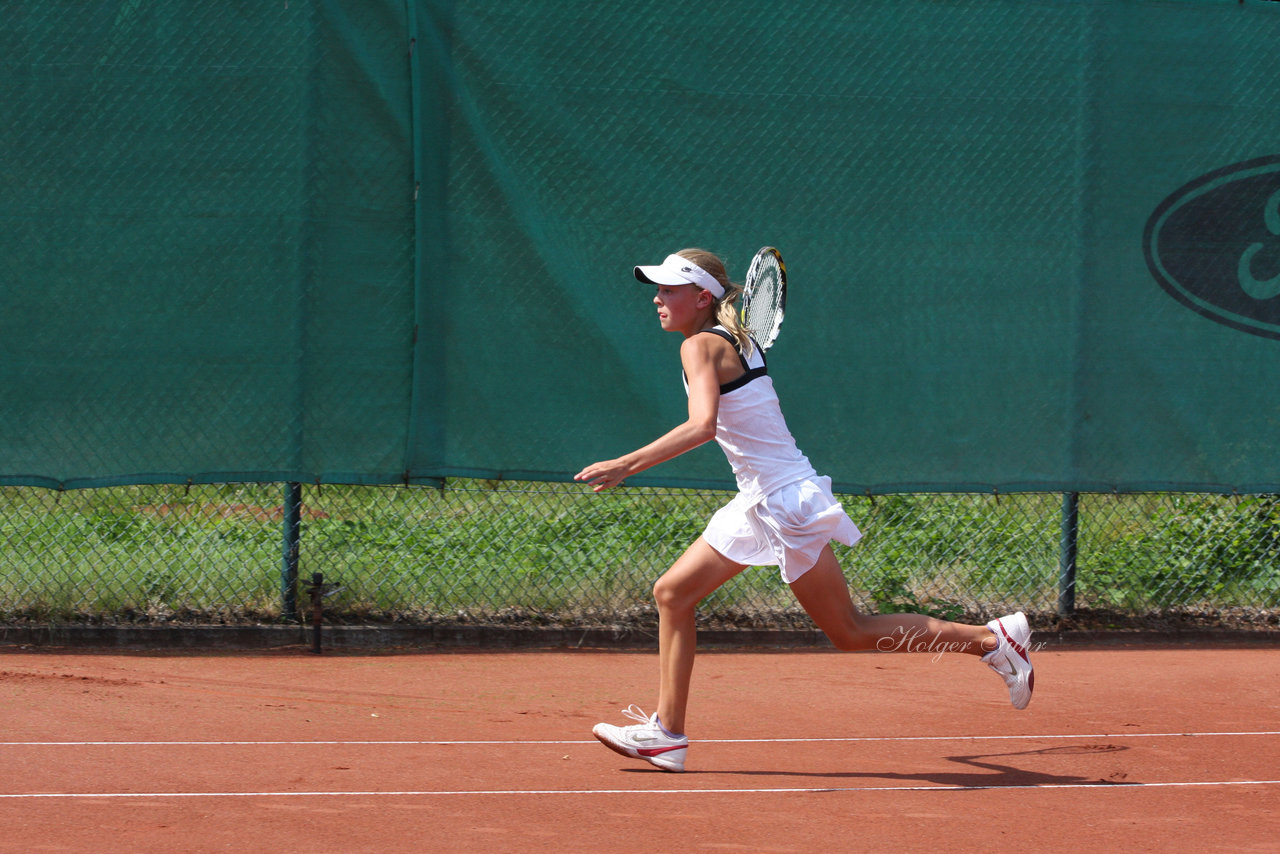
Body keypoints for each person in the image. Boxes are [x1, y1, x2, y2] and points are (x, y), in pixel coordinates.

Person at [574, 248, 1034, 774]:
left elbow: (702, 426)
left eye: (668, 290)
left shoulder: (701, 345)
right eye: (655, 289)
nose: (657, 298)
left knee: (851, 632)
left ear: (702, 297)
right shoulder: (732, 341)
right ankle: (666, 735)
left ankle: (991, 641)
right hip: (760, 498)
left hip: (783, 501)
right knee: (673, 593)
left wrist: (625, 464)